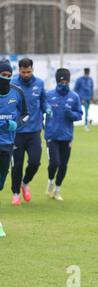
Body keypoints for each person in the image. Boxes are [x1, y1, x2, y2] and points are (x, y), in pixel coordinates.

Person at [10, 58, 52, 205]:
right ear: (19, 70)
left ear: (32, 70)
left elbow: (43, 101)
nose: (26, 75)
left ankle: (25, 183)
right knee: (17, 165)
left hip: (34, 131)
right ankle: (15, 194)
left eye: (28, 72)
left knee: (35, 162)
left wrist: (47, 108)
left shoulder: (39, 83)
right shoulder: (12, 83)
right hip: (17, 132)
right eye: (23, 72)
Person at [0, 59, 29, 237]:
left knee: (1, 184)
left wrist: (14, 124)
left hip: (7, 145)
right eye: (3, 75)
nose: (6, 78)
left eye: (9, 76)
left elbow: (25, 115)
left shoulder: (17, 92)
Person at [44, 68, 82, 201]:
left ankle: (57, 189)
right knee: (54, 162)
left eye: (66, 81)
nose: (64, 84)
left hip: (66, 136)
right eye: (61, 81)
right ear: (57, 81)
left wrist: (72, 115)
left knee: (63, 165)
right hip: (52, 135)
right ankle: (50, 181)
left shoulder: (74, 97)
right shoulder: (48, 95)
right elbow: (41, 110)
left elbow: (79, 115)